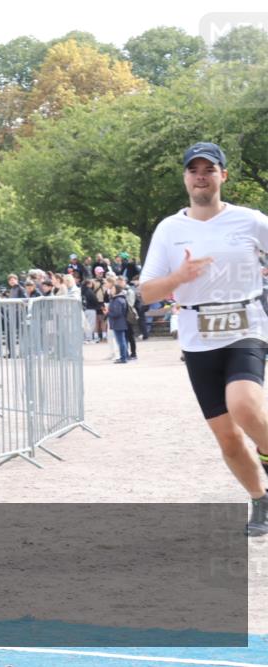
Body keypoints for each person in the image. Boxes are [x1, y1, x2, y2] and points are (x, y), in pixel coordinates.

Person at [139, 142, 268, 537]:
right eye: (193, 170)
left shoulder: (251, 221)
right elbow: (145, 293)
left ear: (222, 176)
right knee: (228, 438)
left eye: (208, 170)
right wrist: (178, 279)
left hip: (246, 326)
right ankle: (261, 501)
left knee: (244, 406)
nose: (201, 176)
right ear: (185, 178)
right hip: (198, 338)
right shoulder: (169, 229)